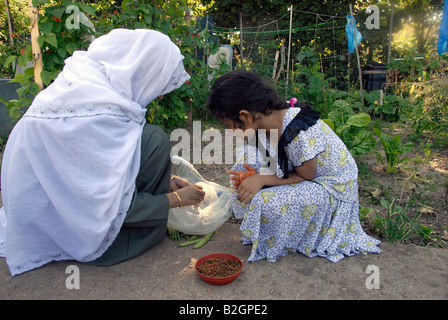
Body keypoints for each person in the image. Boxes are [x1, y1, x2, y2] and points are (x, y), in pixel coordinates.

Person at [0, 29, 205, 276]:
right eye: (160, 81)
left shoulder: (83, 81)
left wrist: (167, 180)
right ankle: (126, 234)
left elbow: (84, 171)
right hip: (79, 225)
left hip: (41, 214)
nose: (160, 93)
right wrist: (178, 199)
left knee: (148, 141)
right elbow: (104, 201)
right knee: (155, 139)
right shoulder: (103, 115)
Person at [206, 70, 381, 263]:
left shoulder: (296, 130)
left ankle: (288, 236)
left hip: (330, 186)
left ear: (245, 116)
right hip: (302, 174)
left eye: (230, 125)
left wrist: (262, 179)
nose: (232, 131)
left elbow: (307, 175)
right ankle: (271, 229)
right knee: (242, 170)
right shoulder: (265, 125)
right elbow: (276, 160)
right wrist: (255, 174)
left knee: (266, 200)